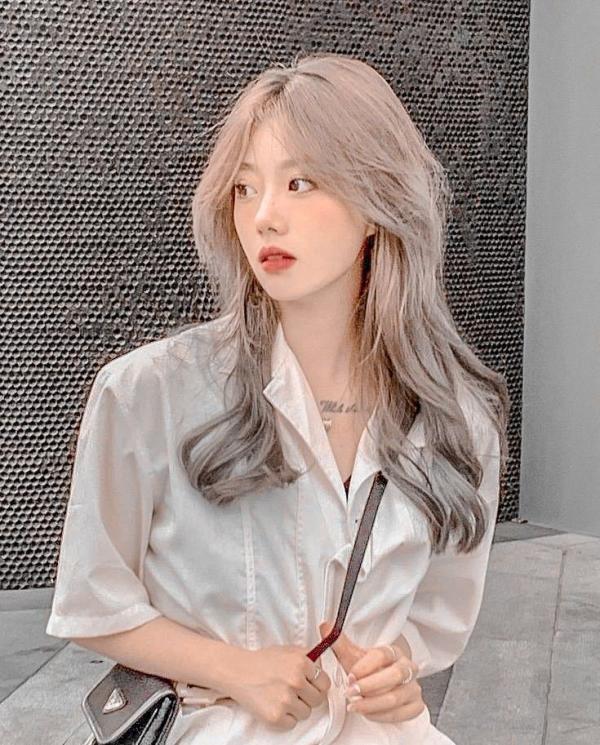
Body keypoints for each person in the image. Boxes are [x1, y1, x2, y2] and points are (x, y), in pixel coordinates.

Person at [46, 52, 510, 745]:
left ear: (378, 203)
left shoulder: (458, 421)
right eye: (244, 188)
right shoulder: (148, 393)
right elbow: (94, 602)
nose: (264, 217)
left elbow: (436, 618)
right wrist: (236, 669)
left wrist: (394, 667)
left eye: (300, 183)